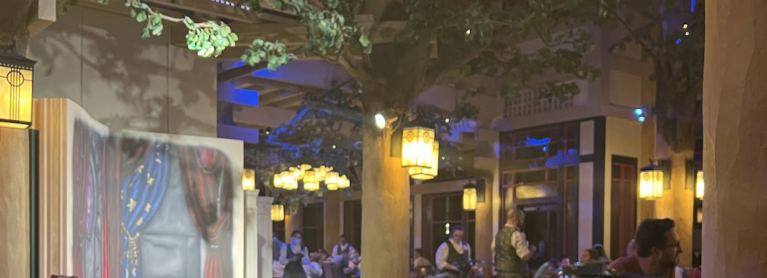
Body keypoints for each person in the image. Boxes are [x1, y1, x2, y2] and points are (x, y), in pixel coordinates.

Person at [608, 218, 681, 278]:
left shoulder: (667, 268)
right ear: (656, 252)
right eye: (674, 246)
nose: (680, 250)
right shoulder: (618, 271)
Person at [492, 208, 537, 278]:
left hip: (500, 274)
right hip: (515, 274)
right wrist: (532, 249)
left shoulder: (499, 234)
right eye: (521, 219)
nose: (522, 222)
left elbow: (493, 248)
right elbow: (524, 256)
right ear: (515, 219)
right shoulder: (517, 234)